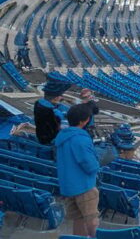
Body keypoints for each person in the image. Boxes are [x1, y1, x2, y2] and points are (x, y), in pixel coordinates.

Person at [56, 104, 100, 238]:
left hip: (68, 187)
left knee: (78, 219)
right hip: (84, 186)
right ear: (84, 120)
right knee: (92, 220)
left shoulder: (62, 137)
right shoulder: (80, 138)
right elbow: (90, 165)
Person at [34, 79, 71, 145]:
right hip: (51, 141)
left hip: (41, 136)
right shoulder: (54, 113)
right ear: (56, 98)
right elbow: (61, 129)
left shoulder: (39, 103)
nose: (61, 97)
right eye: (61, 95)